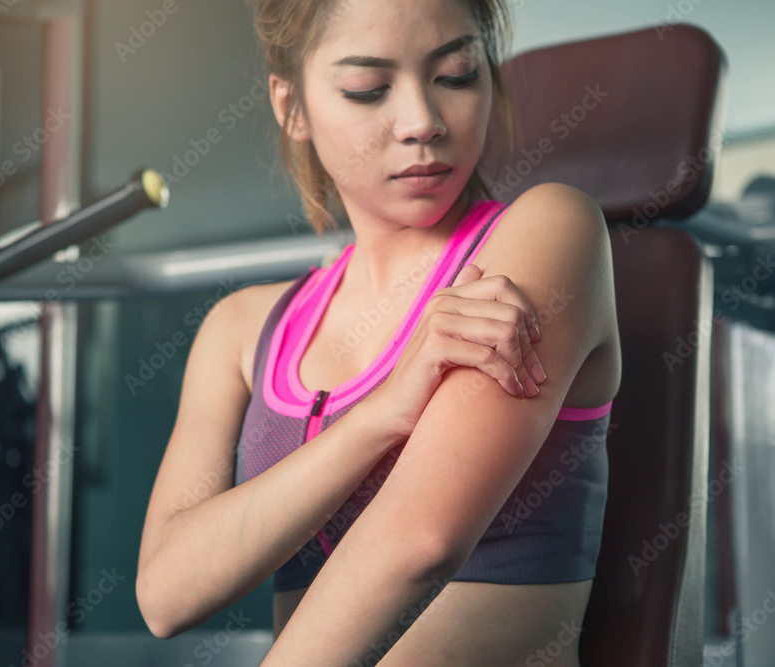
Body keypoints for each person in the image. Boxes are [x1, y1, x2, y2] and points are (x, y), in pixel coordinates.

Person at [136, 0, 622, 664]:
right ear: (293, 107)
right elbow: (166, 592)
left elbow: (418, 542)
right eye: (368, 88)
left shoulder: (545, 236)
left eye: (455, 74)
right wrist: (380, 416)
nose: (423, 122)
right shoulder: (241, 328)